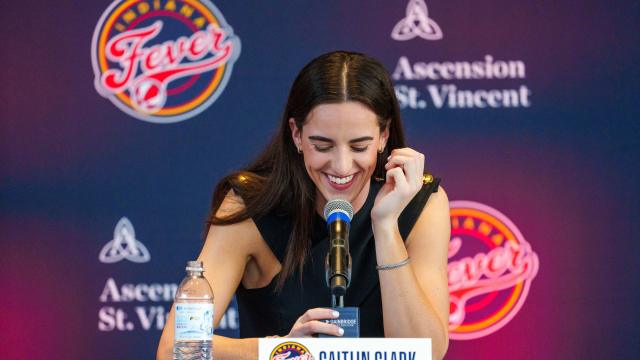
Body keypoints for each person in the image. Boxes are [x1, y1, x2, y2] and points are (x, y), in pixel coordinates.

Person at [157, 51, 450, 359]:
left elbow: (425, 352)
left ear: (384, 135)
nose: (341, 165)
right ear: (296, 134)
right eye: (322, 145)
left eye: (359, 146)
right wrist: (286, 350)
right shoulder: (251, 209)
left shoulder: (420, 203)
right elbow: (176, 349)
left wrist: (387, 227)